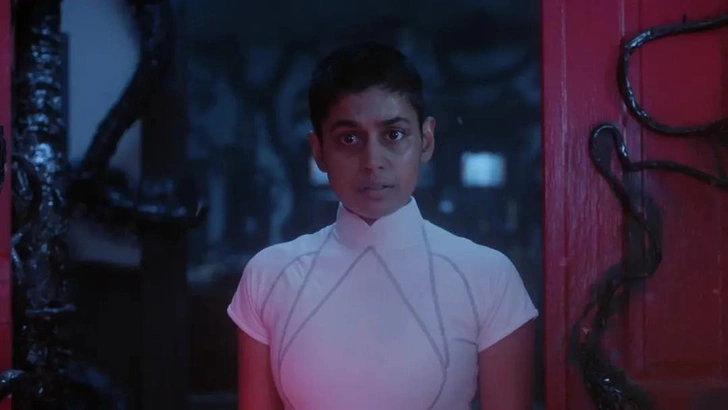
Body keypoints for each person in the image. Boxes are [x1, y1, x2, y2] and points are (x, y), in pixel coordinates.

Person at [227, 41, 538, 410]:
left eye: (393, 135)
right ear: (319, 151)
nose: (372, 161)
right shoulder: (269, 275)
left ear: (426, 140)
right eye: (349, 138)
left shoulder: (488, 277)